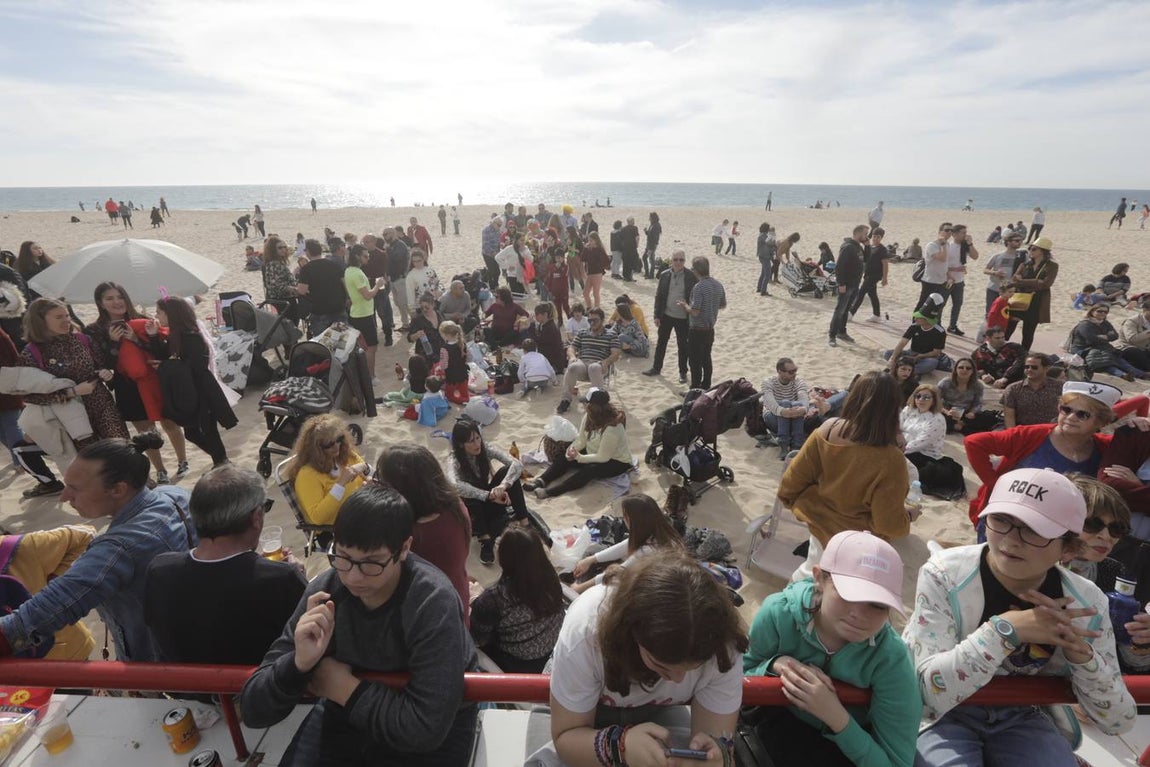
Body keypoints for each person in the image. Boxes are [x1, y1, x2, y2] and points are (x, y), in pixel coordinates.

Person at [906, 468, 1136, 766]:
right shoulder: (946, 574)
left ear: (1068, 547)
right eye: (1001, 520)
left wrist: (1083, 659)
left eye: (1034, 530)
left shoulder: (1086, 601)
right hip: (942, 715)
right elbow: (927, 693)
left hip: (1024, 714)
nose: (1011, 540)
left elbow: (1118, 722)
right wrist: (1005, 631)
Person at [240, 485, 478, 766]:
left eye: (371, 563)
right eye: (343, 557)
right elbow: (253, 710)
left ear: (404, 548)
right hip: (347, 715)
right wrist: (297, 664)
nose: (352, 577)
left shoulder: (431, 601)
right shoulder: (326, 590)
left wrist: (344, 688)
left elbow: (426, 729)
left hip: (426, 726)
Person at [0, 436, 194, 661]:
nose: (64, 497)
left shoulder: (118, 548)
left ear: (118, 489)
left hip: (160, 660)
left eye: (75, 489)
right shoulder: (176, 495)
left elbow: (42, 613)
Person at [544, 554, 747, 767]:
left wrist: (717, 758)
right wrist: (618, 747)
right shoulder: (587, 630)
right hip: (566, 714)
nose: (678, 680)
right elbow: (565, 737)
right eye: (661, 665)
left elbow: (719, 745)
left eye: (695, 667)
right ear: (630, 631)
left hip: (660, 711)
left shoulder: (725, 646)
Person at [743, 530, 919, 767]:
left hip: (845, 748)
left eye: (877, 605)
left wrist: (836, 717)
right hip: (770, 730)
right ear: (819, 578)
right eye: (848, 594)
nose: (859, 614)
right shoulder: (778, 614)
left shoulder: (891, 660)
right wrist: (773, 666)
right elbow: (732, 682)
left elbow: (897, 762)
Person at [144, 465, 306, 664]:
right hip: (261, 690)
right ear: (256, 517)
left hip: (186, 690)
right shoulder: (281, 579)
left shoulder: (160, 569)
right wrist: (301, 580)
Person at [965, 380, 1149, 532]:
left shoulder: (1105, 447)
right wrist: (996, 484)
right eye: (1066, 409)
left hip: (1058, 530)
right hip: (1008, 521)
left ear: (1100, 421)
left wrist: (1140, 420)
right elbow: (974, 443)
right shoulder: (1030, 436)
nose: (1071, 417)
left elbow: (1141, 403)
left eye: (1082, 414)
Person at [778, 371, 911, 581]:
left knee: (807, 578)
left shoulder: (827, 430)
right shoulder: (891, 459)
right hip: (857, 545)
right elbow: (888, 523)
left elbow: (791, 483)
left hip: (819, 525)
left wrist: (809, 505)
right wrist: (908, 516)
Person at [85, 282, 188, 484]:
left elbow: (162, 350)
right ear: (100, 303)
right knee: (145, 430)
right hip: (126, 385)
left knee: (169, 422)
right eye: (109, 298)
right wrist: (113, 343)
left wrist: (136, 339)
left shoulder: (142, 319)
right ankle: (160, 470)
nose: (117, 302)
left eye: (120, 296)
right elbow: (102, 364)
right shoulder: (94, 330)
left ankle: (183, 461)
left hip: (154, 379)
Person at [18, 298, 129, 460]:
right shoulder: (31, 354)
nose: (66, 321)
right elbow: (31, 396)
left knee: (123, 449)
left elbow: (101, 364)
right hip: (71, 416)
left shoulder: (82, 340)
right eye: (59, 317)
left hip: (102, 404)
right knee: (93, 462)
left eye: (67, 316)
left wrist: (104, 373)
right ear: (40, 321)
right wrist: (73, 392)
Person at [373, 444, 472, 618]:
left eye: (381, 480)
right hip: (458, 601)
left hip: (429, 618)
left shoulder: (410, 535)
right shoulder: (455, 506)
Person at [147, 297, 237, 467]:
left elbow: (196, 366)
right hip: (188, 392)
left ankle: (222, 462)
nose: (156, 316)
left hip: (201, 392)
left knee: (207, 431)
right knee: (193, 432)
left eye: (159, 312)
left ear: (171, 314)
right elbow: (165, 356)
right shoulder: (176, 335)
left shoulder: (192, 336)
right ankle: (222, 461)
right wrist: (153, 337)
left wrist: (166, 365)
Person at [470, 527, 565, 673]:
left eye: (499, 544)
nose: (496, 544)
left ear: (505, 558)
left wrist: (475, 600)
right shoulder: (551, 579)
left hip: (513, 663)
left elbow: (477, 639)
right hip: (548, 653)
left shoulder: (495, 598)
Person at [448, 419, 531, 565]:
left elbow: (516, 464)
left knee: (508, 473)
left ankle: (525, 523)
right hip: (474, 510)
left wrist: (503, 485)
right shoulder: (454, 459)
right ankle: (485, 540)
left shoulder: (485, 449)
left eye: (478, 438)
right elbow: (455, 484)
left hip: (492, 500)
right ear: (461, 444)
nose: (477, 444)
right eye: (471, 441)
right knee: (469, 496)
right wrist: (488, 496)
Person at [528, 388, 633, 499]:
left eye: (586, 402)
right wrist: (572, 450)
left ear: (593, 406)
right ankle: (542, 480)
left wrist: (580, 457)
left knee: (590, 470)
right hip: (594, 452)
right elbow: (581, 440)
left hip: (616, 461)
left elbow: (603, 457)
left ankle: (552, 492)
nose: (584, 405)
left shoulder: (613, 428)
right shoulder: (589, 417)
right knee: (564, 455)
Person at [570, 494, 683, 593]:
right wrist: (591, 560)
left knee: (608, 572)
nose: (623, 520)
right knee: (593, 553)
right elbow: (626, 545)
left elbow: (620, 572)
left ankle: (577, 587)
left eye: (625, 517)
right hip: (644, 575)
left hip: (652, 588)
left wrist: (580, 588)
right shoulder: (659, 529)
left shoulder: (649, 550)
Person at [0, 327, 65, 498]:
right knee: (11, 433)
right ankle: (25, 463)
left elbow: (13, 363)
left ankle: (30, 469)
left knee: (14, 431)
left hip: (7, 391)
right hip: (11, 390)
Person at [289, 414, 368, 526]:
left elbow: (367, 473)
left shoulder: (346, 456)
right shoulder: (307, 475)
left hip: (362, 513)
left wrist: (369, 481)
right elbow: (318, 518)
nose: (336, 446)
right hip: (338, 529)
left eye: (339, 439)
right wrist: (341, 484)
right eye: (329, 444)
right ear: (316, 448)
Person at [644, 249, 696, 383]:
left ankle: (683, 373)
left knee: (683, 346)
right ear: (671, 260)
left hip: (683, 317)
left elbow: (695, 297)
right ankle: (656, 368)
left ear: (685, 261)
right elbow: (659, 296)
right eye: (675, 260)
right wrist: (656, 315)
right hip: (666, 315)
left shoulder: (690, 276)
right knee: (661, 343)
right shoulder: (664, 275)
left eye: (681, 260)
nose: (678, 262)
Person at [557, 307, 621, 414]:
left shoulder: (611, 334)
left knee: (594, 367)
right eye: (590, 320)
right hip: (583, 363)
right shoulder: (583, 332)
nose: (592, 323)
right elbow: (571, 348)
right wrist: (572, 357)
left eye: (595, 320)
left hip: (600, 364)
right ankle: (566, 400)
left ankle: (597, 402)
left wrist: (606, 361)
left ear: (602, 320)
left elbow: (616, 354)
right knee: (573, 367)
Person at [1006, 236, 1059, 350]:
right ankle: (1001, 350)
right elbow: (1014, 281)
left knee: (1028, 332)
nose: (1030, 251)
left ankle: (1024, 355)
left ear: (1043, 251)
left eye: (1034, 249)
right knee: (1009, 327)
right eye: (1030, 248)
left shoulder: (1052, 266)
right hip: (1019, 298)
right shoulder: (1024, 265)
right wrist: (1034, 282)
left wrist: (1022, 281)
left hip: (1037, 301)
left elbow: (1046, 284)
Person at [1070, 303, 1149, 380]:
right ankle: (1126, 375)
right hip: (1083, 349)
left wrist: (1104, 337)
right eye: (1100, 311)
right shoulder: (1085, 324)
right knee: (1104, 362)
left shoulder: (1105, 323)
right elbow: (1091, 339)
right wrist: (1107, 337)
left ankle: (1138, 374)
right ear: (1092, 311)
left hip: (1101, 347)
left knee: (1118, 360)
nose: (1103, 313)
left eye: (1105, 312)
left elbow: (1115, 335)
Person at [682, 256, 726, 390]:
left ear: (696, 271)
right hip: (710, 328)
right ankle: (706, 385)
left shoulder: (699, 287)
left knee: (695, 361)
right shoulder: (718, 284)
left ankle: (695, 388)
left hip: (697, 329)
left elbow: (695, 311)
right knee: (706, 359)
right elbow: (722, 305)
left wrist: (685, 306)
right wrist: (710, 307)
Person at [297, 238, 349, 337]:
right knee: (341, 343)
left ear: (308, 252)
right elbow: (344, 283)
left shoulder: (307, 269)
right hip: (338, 307)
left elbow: (302, 291)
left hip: (320, 311)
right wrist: (347, 299)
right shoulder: (333, 264)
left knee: (323, 343)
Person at [762, 357, 810, 460]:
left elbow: (804, 397)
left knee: (797, 404)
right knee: (785, 403)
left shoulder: (798, 381)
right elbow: (771, 404)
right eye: (791, 371)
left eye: (795, 370)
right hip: (773, 417)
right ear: (780, 372)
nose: (794, 373)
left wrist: (803, 409)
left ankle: (796, 446)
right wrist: (784, 411)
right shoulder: (768, 382)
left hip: (793, 417)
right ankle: (784, 446)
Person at [829, 225, 867, 346]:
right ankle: (832, 335)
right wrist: (841, 283)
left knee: (846, 310)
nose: (867, 236)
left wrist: (868, 246)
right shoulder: (848, 247)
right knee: (840, 310)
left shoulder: (859, 247)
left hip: (855, 284)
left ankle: (842, 332)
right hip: (846, 284)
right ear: (858, 233)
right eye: (865, 233)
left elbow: (866, 260)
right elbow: (839, 266)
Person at [939, 357, 999, 434]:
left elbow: (978, 403)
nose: (964, 370)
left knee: (989, 418)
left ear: (972, 371)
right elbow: (935, 400)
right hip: (948, 412)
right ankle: (960, 427)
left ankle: (957, 426)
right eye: (961, 367)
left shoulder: (978, 385)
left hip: (966, 414)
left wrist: (972, 412)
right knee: (935, 416)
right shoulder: (945, 382)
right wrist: (946, 412)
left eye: (968, 368)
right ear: (955, 369)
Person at [884, 310, 947, 376]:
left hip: (927, 356)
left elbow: (936, 352)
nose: (915, 319)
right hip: (911, 352)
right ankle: (906, 369)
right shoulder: (914, 326)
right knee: (888, 353)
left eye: (918, 317)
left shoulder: (940, 331)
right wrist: (892, 358)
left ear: (927, 320)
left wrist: (919, 356)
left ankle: (905, 370)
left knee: (931, 363)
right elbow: (902, 342)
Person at [849, 227, 890, 322]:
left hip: (875, 276)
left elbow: (885, 264)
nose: (875, 238)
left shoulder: (882, 249)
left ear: (881, 238)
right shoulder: (870, 247)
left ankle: (851, 313)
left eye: (878, 237)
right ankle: (876, 315)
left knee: (861, 293)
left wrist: (885, 278)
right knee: (872, 294)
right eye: (874, 236)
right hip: (867, 274)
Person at [983, 230, 1025, 314]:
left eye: (1021, 241)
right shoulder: (997, 256)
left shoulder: (1022, 257)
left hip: (1011, 291)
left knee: (1007, 316)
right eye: (1016, 241)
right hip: (994, 289)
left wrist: (1021, 276)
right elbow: (985, 270)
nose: (1019, 243)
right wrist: (995, 273)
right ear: (1008, 242)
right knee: (991, 313)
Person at [261, 236, 301, 324]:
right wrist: (293, 289)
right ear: (273, 250)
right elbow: (275, 285)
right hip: (283, 301)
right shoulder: (274, 264)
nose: (283, 249)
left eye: (284, 247)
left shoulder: (278, 262)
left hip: (285, 299)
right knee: (290, 327)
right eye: (280, 248)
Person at [526, 302, 565, 375]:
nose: (536, 317)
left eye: (537, 314)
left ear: (545, 314)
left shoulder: (551, 327)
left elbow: (537, 341)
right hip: (548, 359)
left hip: (554, 364)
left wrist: (532, 325)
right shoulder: (545, 324)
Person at [408, 291, 446, 364]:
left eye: (427, 307)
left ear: (433, 305)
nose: (424, 310)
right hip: (426, 354)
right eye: (422, 308)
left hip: (441, 351)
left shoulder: (439, 314)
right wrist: (416, 335)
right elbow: (410, 338)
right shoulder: (417, 320)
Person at [1117, 296, 1150, 378]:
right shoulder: (1132, 321)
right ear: (1145, 310)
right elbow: (1132, 339)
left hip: (1145, 349)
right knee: (1135, 352)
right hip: (1127, 347)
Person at [579, 231, 610, 307]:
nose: (589, 242)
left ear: (596, 240)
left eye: (591, 240)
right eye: (589, 240)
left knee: (595, 293)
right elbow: (582, 259)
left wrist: (600, 266)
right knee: (585, 293)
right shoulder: (588, 248)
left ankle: (596, 309)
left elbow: (606, 261)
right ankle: (589, 307)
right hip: (589, 273)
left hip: (597, 273)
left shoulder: (600, 249)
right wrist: (585, 249)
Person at [481, 217, 503, 288]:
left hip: (497, 253)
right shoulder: (486, 230)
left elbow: (499, 241)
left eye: (500, 225)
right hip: (487, 254)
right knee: (491, 270)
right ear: (493, 223)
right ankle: (491, 286)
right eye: (499, 225)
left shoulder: (498, 230)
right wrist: (493, 252)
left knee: (497, 271)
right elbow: (485, 244)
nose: (500, 227)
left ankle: (495, 284)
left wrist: (501, 245)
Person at [756, 223, 776, 296]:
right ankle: (763, 291)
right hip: (765, 257)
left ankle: (759, 288)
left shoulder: (762, 236)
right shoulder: (763, 236)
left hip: (762, 256)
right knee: (767, 274)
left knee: (763, 273)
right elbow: (769, 245)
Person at [619, 216, 641, 281]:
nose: (634, 222)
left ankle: (625, 277)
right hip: (632, 247)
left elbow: (620, 238)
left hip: (625, 247)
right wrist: (637, 244)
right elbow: (637, 237)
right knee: (632, 262)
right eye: (633, 221)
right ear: (631, 222)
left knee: (625, 262)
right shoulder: (635, 228)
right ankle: (630, 277)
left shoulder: (623, 228)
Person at [642, 211, 661, 279]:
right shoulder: (652, 224)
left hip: (651, 246)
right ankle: (647, 273)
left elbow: (655, 237)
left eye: (650, 217)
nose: (649, 218)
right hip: (649, 245)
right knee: (645, 258)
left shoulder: (656, 225)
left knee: (651, 260)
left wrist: (653, 246)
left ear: (653, 217)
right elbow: (650, 235)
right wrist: (646, 231)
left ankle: (651, 275)